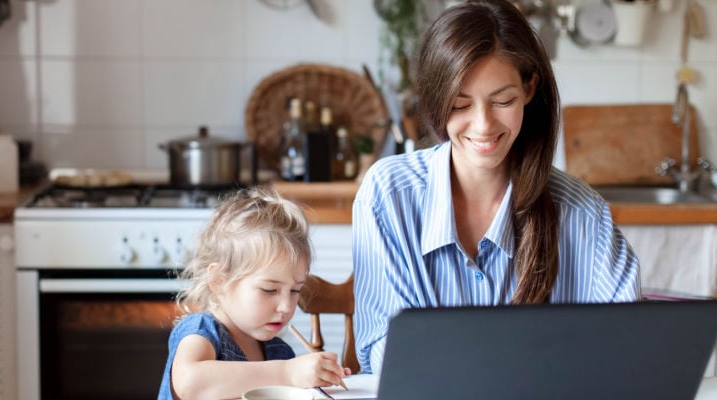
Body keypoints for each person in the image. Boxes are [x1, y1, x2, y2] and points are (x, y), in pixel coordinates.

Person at [352, 0, 641, 374]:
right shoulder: (388, 195)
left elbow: (626, 347)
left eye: (503, 100)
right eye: (460, 104)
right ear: (436, 98)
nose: (484, 125)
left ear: (530, 88)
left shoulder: (582, 212)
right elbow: (383, 353)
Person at [157, 187, 349, 400]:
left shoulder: (278, 352)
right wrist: (287, 373)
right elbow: (191, 383)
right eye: (269, 290)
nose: (286, 306)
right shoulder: (201, 332)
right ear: (219, 280)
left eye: (295, 290)